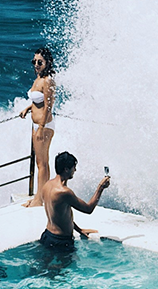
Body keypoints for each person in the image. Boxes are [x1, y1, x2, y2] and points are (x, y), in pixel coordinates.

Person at [36, 152, 109, 254]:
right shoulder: (64, 192)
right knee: (62, 269)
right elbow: (88, 209)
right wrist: (100, 188)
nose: (75, 170)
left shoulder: (47, 185)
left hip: (47, 236)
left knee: (47, 268)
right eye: (73, 167)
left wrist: (79, 230)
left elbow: (60, 216)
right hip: (61, 242)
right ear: (66, 169)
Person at [18, 45, 56, 206]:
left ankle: (39, 199)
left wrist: (40, 127)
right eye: (34, 61)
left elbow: (49, 106)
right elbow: (37, 101)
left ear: (47, 62)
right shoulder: (38, 78)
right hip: (37, 124)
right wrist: (28, 108)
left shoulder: (47, 80)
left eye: (40, 62)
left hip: (44, 125)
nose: (36, 64)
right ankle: (40, 196)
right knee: (41, 162)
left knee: (42, 164)